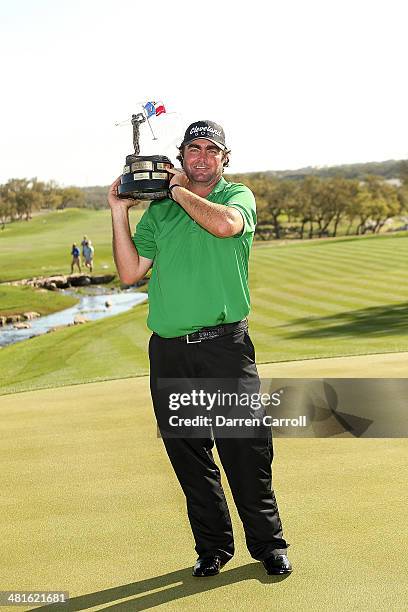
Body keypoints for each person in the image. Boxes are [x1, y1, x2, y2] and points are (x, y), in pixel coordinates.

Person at [108, 120, 292, 578]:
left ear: (225, 158)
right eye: (194, 149)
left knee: (245, 451)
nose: (203, 157)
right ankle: (213, 548)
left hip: (224, 348)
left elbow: (226, 227)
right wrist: (117, 211)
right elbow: (130, 272)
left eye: (212, 150)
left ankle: (268, 545)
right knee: (190, 455)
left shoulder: (236, 198)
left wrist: (176, 191)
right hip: (170, 352)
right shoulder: (160, 214)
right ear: (182, 155)